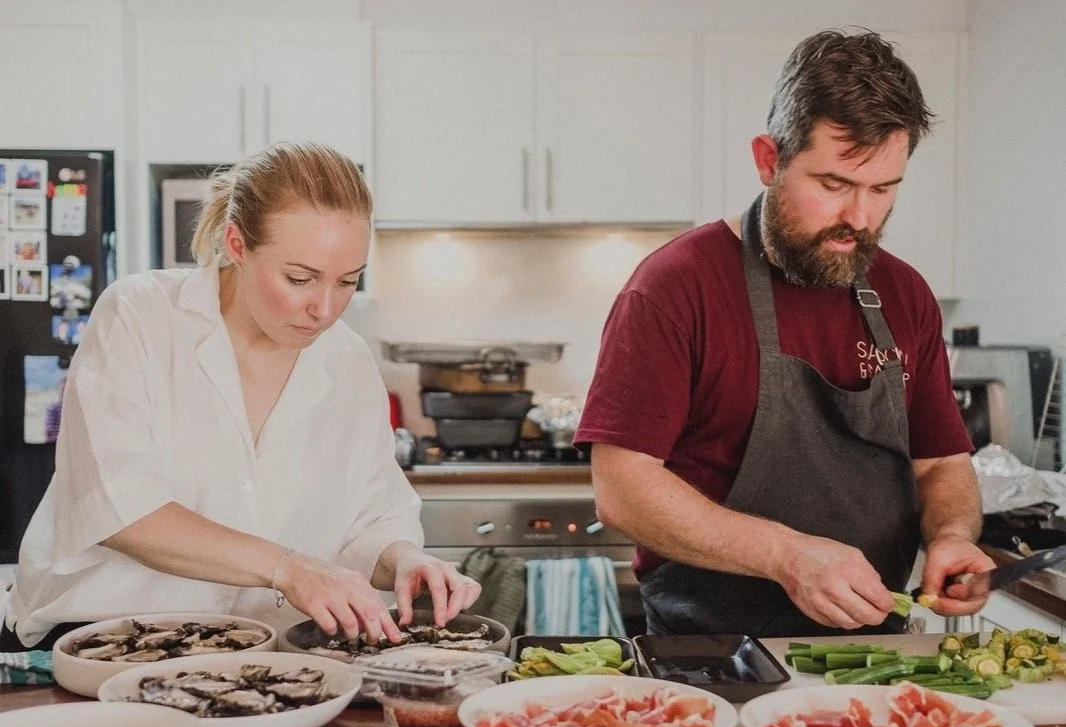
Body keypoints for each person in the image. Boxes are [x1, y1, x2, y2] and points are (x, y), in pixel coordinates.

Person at [574, 29, 994, 638]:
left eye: (882, 190)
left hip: (873, 653)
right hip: (713, 656)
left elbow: (939, 464)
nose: (859, 217)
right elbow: (622, 488)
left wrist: (952, 538)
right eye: (832, 185)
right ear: (769, 160)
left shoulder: (906, 294)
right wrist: (786, 556)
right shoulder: (675, 286)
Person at [2, 140, 481, 652]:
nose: (324, 308)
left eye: (347, 281)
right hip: (102, 642)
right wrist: (288, 568)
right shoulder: (140, 315)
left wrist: (405, 558)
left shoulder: (348, 361)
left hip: (264, 653)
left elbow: (372, 516)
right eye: (300, 278)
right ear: (236, 244)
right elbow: (120, 507)